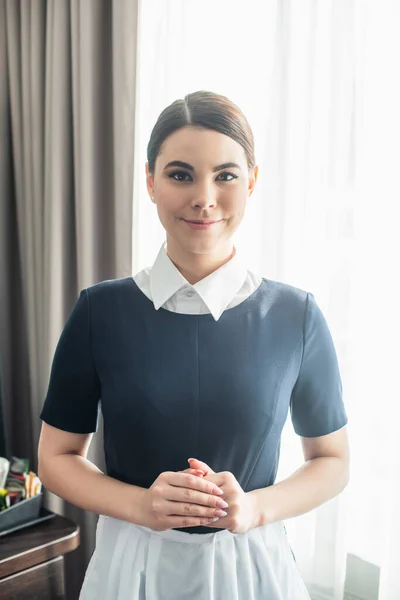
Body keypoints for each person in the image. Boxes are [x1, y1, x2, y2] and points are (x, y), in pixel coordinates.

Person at [38, 90, 350, 600]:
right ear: (150, 182)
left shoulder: (298, 315)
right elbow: (56, 457)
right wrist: (141, 505)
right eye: (180, 174)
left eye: (225, 175)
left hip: (253, 568)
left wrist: (255, 507)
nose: (204, 197)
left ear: (251, 181)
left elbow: (333, 459)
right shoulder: (100, 311)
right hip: (132, 566)